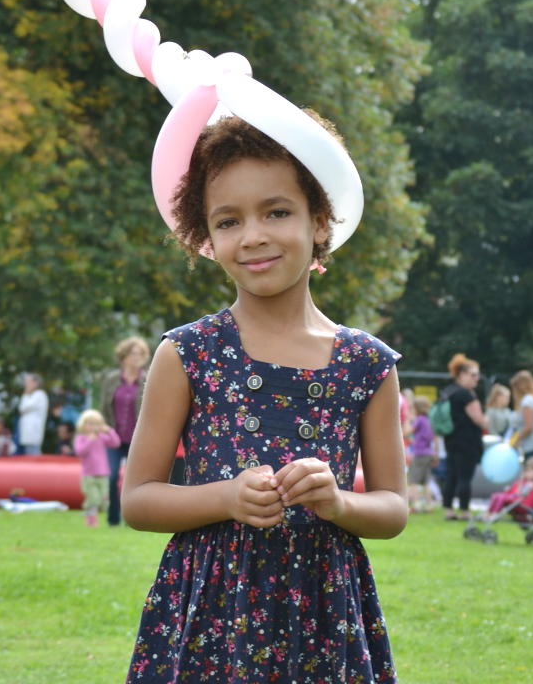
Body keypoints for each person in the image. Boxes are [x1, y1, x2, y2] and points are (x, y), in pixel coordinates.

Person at [120, 114, 408, 683]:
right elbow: (139, 499)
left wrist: (338, 505)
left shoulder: (367, 364)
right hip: (211, 617)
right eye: (228, 220)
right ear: (206, 236)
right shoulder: (186, 353)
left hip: (324, 616)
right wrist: (226, 497)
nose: (252, 235)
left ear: (319, 220)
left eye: (277, 212)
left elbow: (394, 507)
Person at [100, 335, 149, 526]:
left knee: (134, 481)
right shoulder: (111, 379)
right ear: (124, 356)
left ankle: (133, 518)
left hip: (137, 437)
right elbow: (104, 406)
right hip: (114, 436)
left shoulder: (147, 378)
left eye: (140, 354)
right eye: (133, 353)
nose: (137, 357)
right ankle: (113, 518)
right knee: (112, 476)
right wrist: (103, 427)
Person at [440, 353, 488, 520]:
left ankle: (448, 509)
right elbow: (479, 419)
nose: (477, 378)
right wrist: (489, 423)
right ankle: (465, 511)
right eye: (473, 374)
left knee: (451, 475)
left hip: (450, 440)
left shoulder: (448, 391)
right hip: (467, 441)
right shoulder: (467, 394)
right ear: (462, 374)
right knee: (465, 477)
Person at [74, 409, 120, 526]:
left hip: (103, 474)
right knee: (94, 498)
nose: (94, 427)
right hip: (88, 475)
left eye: (96, 424)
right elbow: (80, 451)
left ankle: (90, 512)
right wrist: (89, 440)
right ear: (83, 425)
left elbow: (115, 443)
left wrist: (109, 431)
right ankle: (90, 519)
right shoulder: (82, 438)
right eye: (90, 424)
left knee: (104, 500)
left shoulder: (101, 437)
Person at [407, 395, 436, 513]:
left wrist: (408, 420)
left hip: (419, 453)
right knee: (426, 481)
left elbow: (408, 432)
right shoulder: (428, 420)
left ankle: (416, 504)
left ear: (416, 408)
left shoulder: (419, 419)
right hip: (428, 453)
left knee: (414, 479)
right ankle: (429, 505)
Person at [486, 455, 533, 520]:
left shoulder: (532, 484)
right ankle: (488, 513)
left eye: (529, 471)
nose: (526, 473)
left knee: (502, 497)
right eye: (526, 471)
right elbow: (518, 492)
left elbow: (521, 494)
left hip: (525, 506)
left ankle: (495, 514)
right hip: (518, 502)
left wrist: (528, 488)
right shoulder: (525, 482)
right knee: (496, 495)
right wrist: (521, 481)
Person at [17, 373, 49, 455]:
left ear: (36, 383)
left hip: (33, 432)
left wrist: (26, 393)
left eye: (28, 382)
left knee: (33, 454)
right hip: (28, 433)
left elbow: (23, 407)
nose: (26, 384)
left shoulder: (40, 394)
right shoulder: (33, 395)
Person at [509, 370, 533, 461]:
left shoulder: (527, 401)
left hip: (531, 446)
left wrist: (513, 441)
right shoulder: (532, 399)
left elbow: (528, 426)